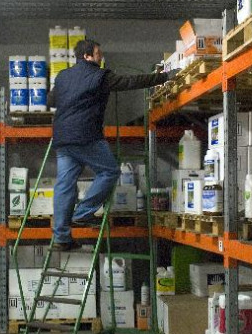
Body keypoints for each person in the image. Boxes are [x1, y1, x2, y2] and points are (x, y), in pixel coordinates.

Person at [48, 39, 179, 251]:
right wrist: (163, 77)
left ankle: (61, 237)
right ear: (87, 56)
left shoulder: (63, 76)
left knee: (64, 185)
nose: (101, 57)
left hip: (62, 138)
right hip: (86, 135)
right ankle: (82, 213)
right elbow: (130, 82)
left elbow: (51, 100)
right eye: (98, 53)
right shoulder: (100, 76)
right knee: (109, 171)